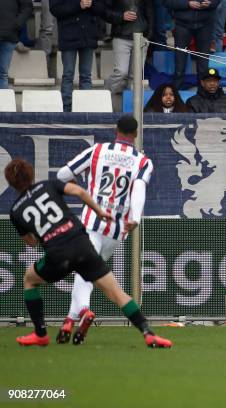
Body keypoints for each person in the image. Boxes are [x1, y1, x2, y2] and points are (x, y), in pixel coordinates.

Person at [5, 159, 171, 348]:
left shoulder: (15, 211)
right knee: (117, 293)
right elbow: (79, 191)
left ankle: (40, 334)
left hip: (57, 255)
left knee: (29, 279)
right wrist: (99, 211)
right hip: (82, 244)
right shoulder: (48, 185)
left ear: (10, 183)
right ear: (32, 174)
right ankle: (148, 333)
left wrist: (42, 233)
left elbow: (32, 243)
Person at [54, 115, 155, 345]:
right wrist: (135, 218)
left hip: (92, 221)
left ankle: (84, 311)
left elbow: (63, 175)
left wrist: (83, 189)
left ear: (116, 129)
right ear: (136, 134)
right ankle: (69, 321)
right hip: (117, 230)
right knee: (88, 272)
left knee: (84, 270)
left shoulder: (97, 151)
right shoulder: (142, 161)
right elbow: (139, 187)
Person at [50, 0, 106, 112]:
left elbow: (103, 8)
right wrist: (78, 5)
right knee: (68, 74)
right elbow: (55, 9)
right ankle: (66, 109)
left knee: (86, 75)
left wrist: (92, 4)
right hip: (68, 36)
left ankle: (85, 108)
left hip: (88, 37)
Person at [163, 0, 220, 90]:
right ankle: (177, 91)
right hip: (182, 23)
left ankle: (203, 91)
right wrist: (187, 4)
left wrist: (210, 3)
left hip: (205, 24)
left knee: (203, 61)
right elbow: (167, 2)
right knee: (180, 61)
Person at [102, 0, 155, 95]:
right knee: (121, 72)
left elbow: (150, 13)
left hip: (141, 37)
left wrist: (148, 36)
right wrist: (121, 16)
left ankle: (130, 106)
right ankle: (103, 96)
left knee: (135, 75)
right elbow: (104, 12)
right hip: (121, 36)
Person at [0, 0, 33, 89]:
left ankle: (3, 102)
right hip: (10, 33)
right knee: (3, 74)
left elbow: (27, 7)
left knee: (3, 74)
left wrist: (17, 24)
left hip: (9, 35)